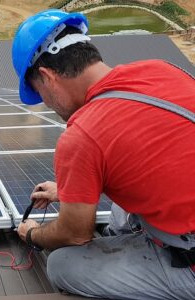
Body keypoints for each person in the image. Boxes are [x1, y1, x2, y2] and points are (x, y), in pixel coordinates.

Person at [12, 9, 195, 300]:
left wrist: (32, 233)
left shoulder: (82, 134)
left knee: (62, 265)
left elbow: (75, 234)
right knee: (119, 209)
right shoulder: (162, 69)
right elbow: (150, 157)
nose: (45, 104)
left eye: (40, 94)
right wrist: (68, 191)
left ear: (47, 77)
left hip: (189, 261)